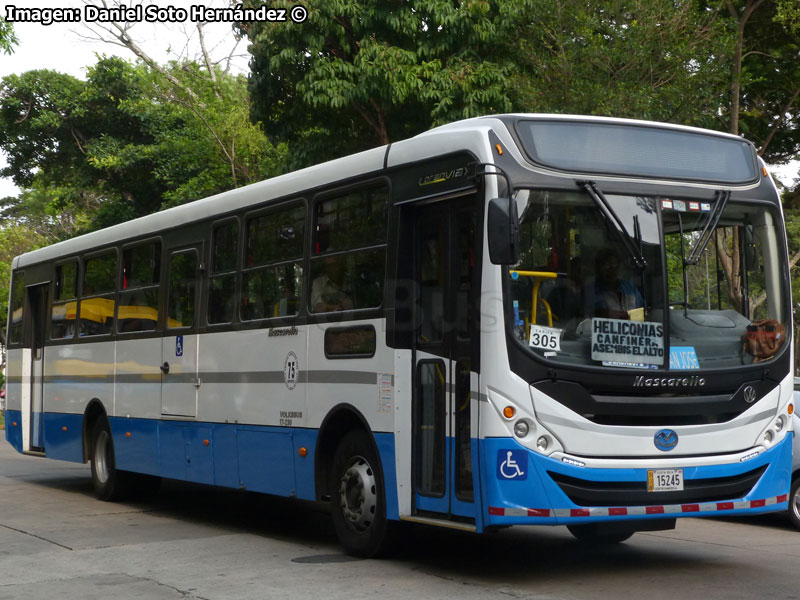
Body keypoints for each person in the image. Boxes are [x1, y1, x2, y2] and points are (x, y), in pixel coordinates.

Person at [587, 247, 643, 320]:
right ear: (598, 268)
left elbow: (641, 313)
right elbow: (595, 315)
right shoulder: (591, 291)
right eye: (606, 265)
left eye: (614, 264)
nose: (612, 269)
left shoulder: (630, 288)